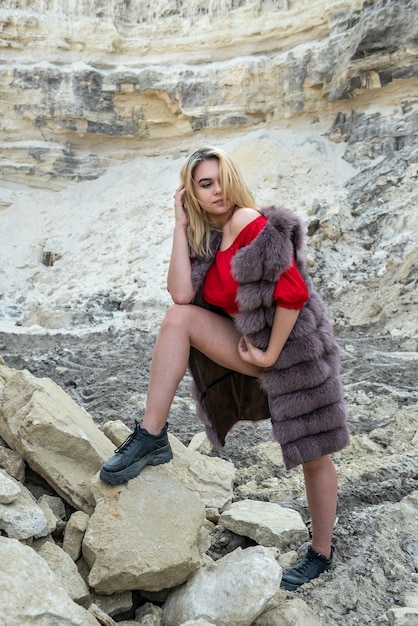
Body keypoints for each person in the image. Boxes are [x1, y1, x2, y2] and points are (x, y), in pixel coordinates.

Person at [100, 146, 350, 591]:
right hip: (250, 346)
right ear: (191, 194)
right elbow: (180, 295)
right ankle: (151, 437)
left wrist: (272, 354)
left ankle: (321, 553)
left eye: (220, 180)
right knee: (178, 318)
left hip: (293, 354)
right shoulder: (207, 237)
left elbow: (291, 292)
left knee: (315, 456)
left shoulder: (248, 222)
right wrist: (179, 225)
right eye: (204, 184)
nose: (217, 191)